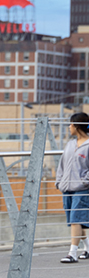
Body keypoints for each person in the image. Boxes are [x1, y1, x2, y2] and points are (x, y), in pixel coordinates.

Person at [55, 111, 89, 264]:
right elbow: (62, 164)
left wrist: (84, 181)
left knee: (76, 219)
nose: (69, 127)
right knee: (75, 221)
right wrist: (59, 181)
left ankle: (72, 253)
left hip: (82, 188)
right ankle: (88, 248)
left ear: (76, 126)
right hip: (67, 188)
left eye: (70, 124)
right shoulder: (70, 144)